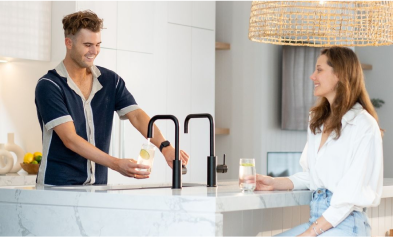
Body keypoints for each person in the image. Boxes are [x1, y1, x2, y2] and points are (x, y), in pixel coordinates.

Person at [34, 10, 189, 186]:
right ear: (68, 43)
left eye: (97, 44)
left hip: (97, 188)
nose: (94, 51)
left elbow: (137, 116)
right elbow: (70, 139)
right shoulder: (49, 85)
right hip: (57, 187)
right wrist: (116, 164)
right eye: (87, 45)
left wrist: (165, 147)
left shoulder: (110, 81)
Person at [251, 47, 383, 236]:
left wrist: (311, 233)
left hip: (346, 224)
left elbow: (350, 195)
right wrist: (274, 182)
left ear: (339, 74)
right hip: (319, 220)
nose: (313, 76)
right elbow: (313, 176)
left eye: (319, 70)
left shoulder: (363, 125)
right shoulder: (317, 121)